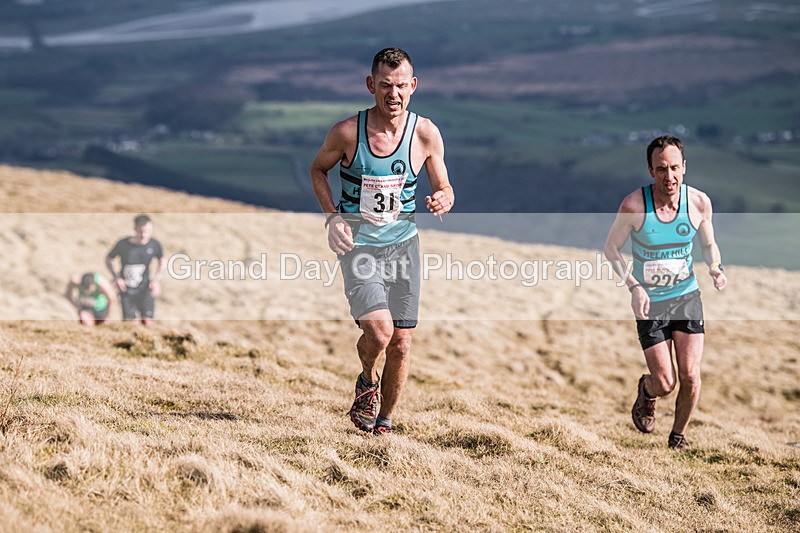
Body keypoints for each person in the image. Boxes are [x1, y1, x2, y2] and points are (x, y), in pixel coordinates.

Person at [309, 47, 455, 434]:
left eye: (401, 86)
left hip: (404, 246)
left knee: (401, 343)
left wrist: (444, 197)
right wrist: (332, 218)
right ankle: (367, 380)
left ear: (414, 86)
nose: (394, 94)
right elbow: (318, 170)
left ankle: (384, 423)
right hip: (359, 246)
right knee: (379, 332)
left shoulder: (425, 133)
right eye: (386, 85)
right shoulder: (347, 132)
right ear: (371, 85)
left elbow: (444, 186)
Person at [604, 135, 727, 450]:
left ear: (684, 167)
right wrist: (634, 287)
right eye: (661, 169)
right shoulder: (634, 206)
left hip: (687, 298)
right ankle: (647, 392)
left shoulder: (699, 202)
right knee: (666, 382)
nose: (668, 176)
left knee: (691, 376)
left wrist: (715, 266)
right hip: (651, 304)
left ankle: (677, 438)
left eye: (674, 168)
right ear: (650, 170)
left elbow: (709, 243)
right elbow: (611, 250)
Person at [106, 214, 166, 325]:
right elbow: (109, 259)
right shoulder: (123, 244)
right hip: (126, 290)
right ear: (135, 229)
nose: (144, 235)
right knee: (129, 324)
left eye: (148, 231)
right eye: (141, 231)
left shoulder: (154, 244)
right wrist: (116, 277)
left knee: (147, 322)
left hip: (145, 288)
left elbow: (162, 261)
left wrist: (157, 280)